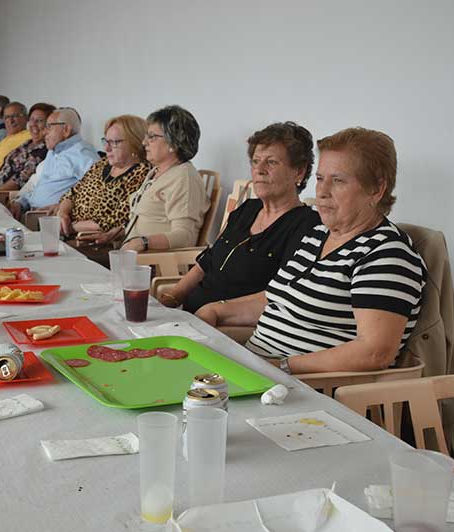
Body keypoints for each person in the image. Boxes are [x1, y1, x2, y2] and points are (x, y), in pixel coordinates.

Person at [196, 127, 426, 375]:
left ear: (376, 189)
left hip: (308, 391)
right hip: (260, 371)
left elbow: (374, 352)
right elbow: (278, 298)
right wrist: (217, 309)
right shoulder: (319, 234)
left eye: (337, 180)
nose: (322, 192)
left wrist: (282, 367)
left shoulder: (387, 254)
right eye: (319, 179)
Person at [159, 122, 321, 312]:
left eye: (271, 162)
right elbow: (207, 261)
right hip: (190, 317)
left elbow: (279, 296)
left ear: (299, 172)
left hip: (229, 327)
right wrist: (171, 297)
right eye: (255, 161)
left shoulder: (306, 226)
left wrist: (216, 312)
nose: (259, 169)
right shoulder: (247, 209)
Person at [120, 105, 209, 252]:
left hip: (156, 265)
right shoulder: (157, 171)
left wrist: (143, 243)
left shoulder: (183, 178)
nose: (144, 142)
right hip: (131, 257)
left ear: (173, 142)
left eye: (152, 137)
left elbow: (184, 237)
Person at [57, 114, 151, 240]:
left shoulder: (143, 173)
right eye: (106, 141)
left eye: (115, 142)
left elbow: (116, 221)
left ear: (135, 142)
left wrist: (69, 226)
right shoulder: (102, 164)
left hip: (93, 242)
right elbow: (72, 193)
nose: (106, 148)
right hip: (65, 232)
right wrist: (62, 214)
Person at [9, 107, 98, 219]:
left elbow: (97, 193)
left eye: (49, 127)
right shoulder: (53, 152)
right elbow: (40, 188)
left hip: (51, 221)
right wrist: (21, 202)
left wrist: (62, 207)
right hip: (28, 214)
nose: (44, 132)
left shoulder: (83, 155)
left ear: (65, 129)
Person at [0, 103, 55, 195]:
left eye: (39, 120)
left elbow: (19, 180)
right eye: (31, 120)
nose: (33, 124)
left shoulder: (44, 150)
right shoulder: (27, 143)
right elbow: (4, 167)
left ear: (49, 125)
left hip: (6, 198)